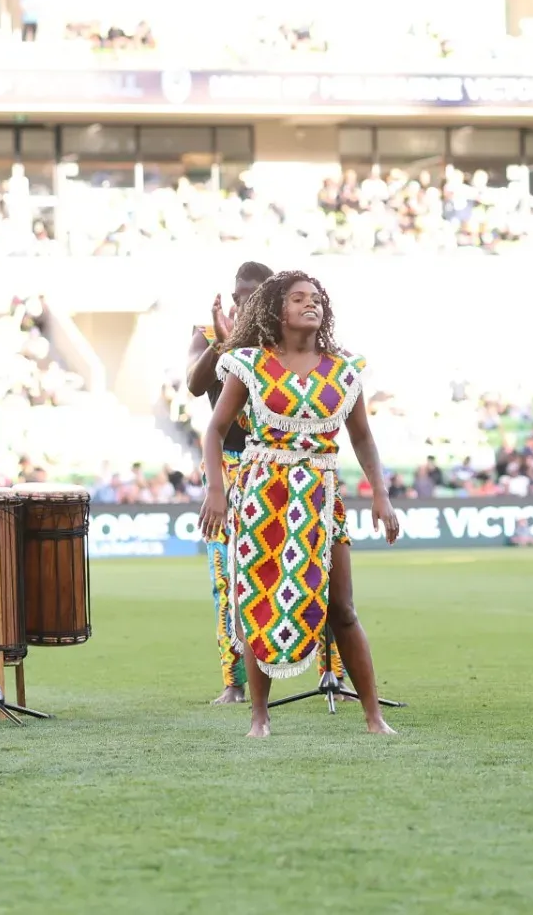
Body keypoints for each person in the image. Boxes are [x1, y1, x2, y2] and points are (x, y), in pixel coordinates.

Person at [199, 271, 400, 738]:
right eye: (298, 299)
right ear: (277, 310)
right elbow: (214, 430)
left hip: (322, 498)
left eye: (315, 299)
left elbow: (363, 438)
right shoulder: (248, 364)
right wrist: (216, 489)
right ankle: (259, 718)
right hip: (262, 496)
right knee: (259, 604)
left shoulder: (345, 370)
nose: (310, 305)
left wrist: (381, 495)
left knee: (343, 608)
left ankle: (374, 717)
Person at [183, 261, 271, 704]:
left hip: (274, 462)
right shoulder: (209, 332)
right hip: (228, 465)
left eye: (252, 294)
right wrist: (223, 340)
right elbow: (195, 385)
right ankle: (233, 682)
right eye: (238, 294)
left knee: (297, 570)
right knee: (226, 578)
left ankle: (331, 675)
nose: (242, 302)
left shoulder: (282, 337)